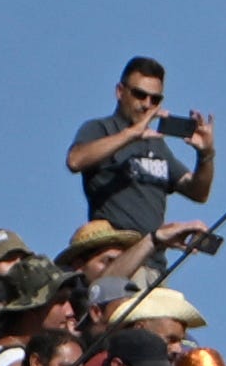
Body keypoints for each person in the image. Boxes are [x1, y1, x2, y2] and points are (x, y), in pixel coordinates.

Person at [67, 57, 216, 237]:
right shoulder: (101, 129)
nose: (146, 104)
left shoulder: (157, 145)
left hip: (151, 250)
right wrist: (131, 134)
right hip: (114, 247)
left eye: (155, 99)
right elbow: (75, 160)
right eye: (139, 95)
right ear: (120, 92)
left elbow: (198, 192)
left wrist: (205, 154)